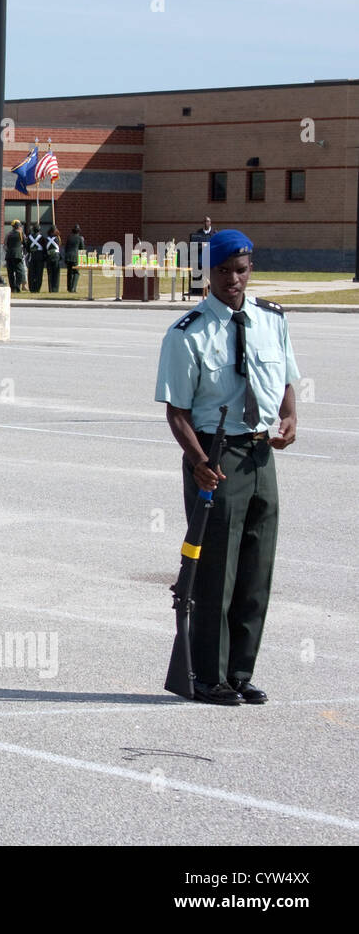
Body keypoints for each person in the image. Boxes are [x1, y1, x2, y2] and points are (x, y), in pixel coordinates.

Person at [155, 229, 299, 706]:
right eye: (223, 271)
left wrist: (290, 415)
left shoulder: (270, 319)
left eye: (241, 270)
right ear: (207, 273)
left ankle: (239, 672)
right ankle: (205, 676)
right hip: (215, 459)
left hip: (261, 456)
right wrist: (198, 462)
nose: (234, 280)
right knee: (216, 572)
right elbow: (176, 411)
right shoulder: (188, 332)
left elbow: (284, 378)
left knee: (257, 570)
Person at [4, 220, 25, 292]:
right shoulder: (21, 234)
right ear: (19, 226)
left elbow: (5, 246)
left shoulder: (8, 234)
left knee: (10, 273)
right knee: (20, 272)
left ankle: (12, 288)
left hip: (9, 255)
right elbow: (25, 243)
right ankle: (17, 287)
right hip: (17, 255)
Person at [65, 224, 85, 293]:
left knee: (69, 273)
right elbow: (82, 249)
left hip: (68, 257)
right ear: (79, 231)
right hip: (75, 258)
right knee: (76, 273)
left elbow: (66, 247)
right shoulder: (80, 238)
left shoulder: (69, 237)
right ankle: (73, 288)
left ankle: (69, 288)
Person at [27, 225, 46, 293]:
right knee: (39, 273)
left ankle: (31, 288)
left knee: (31, 273)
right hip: (40, 257)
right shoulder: (42, 237)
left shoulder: (29, 237)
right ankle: (37, 288)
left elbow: (27, 248)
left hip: (32, 256)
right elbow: (44, 248)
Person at [45, 226, 62, 293]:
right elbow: (59, 245)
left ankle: (50, 289)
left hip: (49, 256)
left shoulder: (46, 239)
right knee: (56, 274)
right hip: (56, 256)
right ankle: (55, 289)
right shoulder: (57, 238)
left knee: (50, 273)